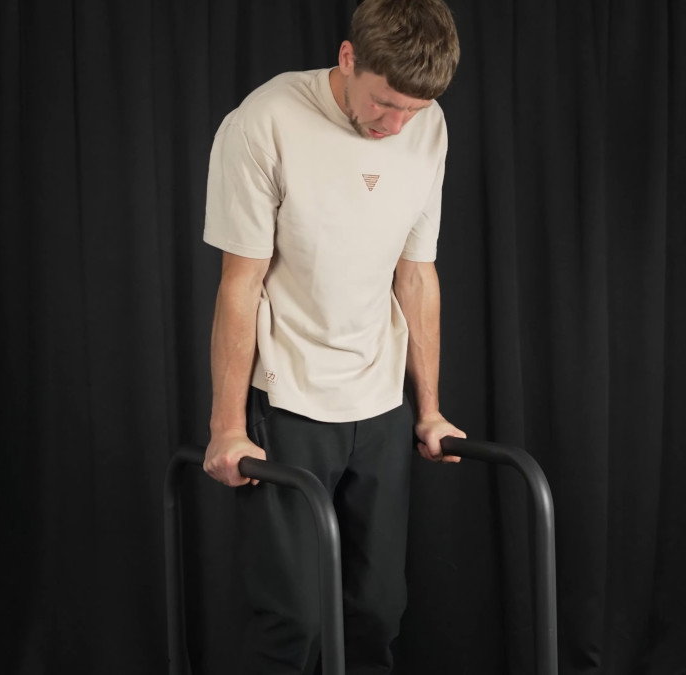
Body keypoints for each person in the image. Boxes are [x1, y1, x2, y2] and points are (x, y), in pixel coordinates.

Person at [200, 0, 464, 672]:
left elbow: (417, 273)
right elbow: (241, 283)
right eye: (385, 103)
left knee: (377, 612)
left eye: (413, 108)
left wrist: (428, 408)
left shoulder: (426, 127)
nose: (397, 124)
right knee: (292, 620)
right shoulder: (264, 123)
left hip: (379, 402)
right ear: (349, 60)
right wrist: (227, 426)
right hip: (290, 399)